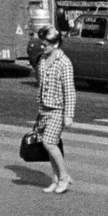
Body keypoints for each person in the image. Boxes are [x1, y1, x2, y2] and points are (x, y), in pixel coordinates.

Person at [33, 25, 75, 194]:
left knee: (49, 142)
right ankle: (56, 179)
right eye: (42, 44)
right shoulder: (43, 60)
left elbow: (69, 90)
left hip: (58, 109)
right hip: (44, 109)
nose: (43, 47)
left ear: (55, 43)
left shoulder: (64, 62)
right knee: (50, 145)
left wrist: (69, 115)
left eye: (46, 44)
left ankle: (64, 177)